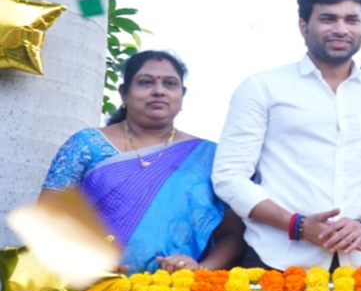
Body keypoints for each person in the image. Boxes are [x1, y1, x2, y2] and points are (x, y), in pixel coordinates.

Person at [212, 0, 361, 271]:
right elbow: (229, 176)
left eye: (351, 20)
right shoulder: (262, 88)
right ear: (303, 26)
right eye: (328, 19)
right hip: (278, 261)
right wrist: (297, 225)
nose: (341, 29)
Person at [40, 51, 245, 274]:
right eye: (146, 82)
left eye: (170, 84)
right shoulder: (85, 145)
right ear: (124, 94)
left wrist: (199, 270)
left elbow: (233, 234)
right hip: (88, 285)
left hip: (177, 289)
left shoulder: (209, 157)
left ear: (182, 95)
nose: (159, 91)